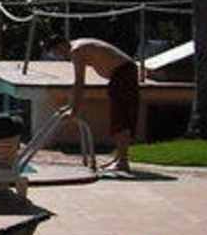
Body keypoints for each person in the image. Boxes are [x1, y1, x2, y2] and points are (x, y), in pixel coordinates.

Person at [51, 36, 140, 174]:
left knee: (120, 118)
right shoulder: (78, 45)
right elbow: (77, 84)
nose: (60, 57)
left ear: (61, 46)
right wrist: (70, 105)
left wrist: (74, 110)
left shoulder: (76, 51)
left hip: (123, 74)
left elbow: (79, 82)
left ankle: (122, 162)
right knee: (119, 117)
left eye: (56, 53)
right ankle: (119, 159)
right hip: (123, 73)